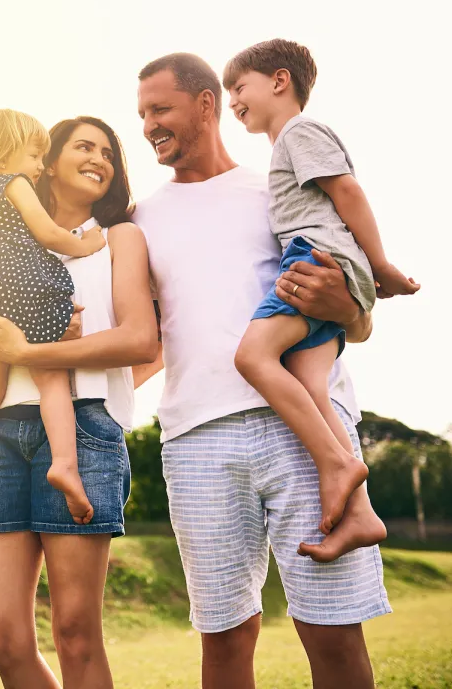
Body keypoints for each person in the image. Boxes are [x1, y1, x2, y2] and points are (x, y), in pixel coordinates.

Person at [133, 54, 391, 689]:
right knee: (223, 638)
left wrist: (355, 312)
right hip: (196, 439)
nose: (148, 126)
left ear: (205, 105)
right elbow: (147, 342)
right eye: (141, 114)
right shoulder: (139, 220)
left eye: (160, 109)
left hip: (304, 429)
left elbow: (350, 307)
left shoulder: (277, 187)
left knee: (333, 632)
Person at [0, 116, 157, 689]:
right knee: (2, 639)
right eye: (84, 146)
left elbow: (142, 341)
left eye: (109, 152)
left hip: (81, 429)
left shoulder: (119, 237)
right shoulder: (1, 219)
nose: (100, 159)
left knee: (76, 635)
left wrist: (30, 348)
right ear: (46, 159)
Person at [224, 39, 419, 557]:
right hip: (329, 262)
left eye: (238, 87)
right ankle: (361, 514)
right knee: (311, 382)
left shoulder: (299, 132)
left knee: (252, 355)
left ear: (279, 81)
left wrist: (381, 267)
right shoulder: (286, 144)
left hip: (315, 259)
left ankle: (337, 464)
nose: (232, 101)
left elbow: (348, 192)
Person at [0, 109, 106, 538]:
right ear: (5, 154)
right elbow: (49, 234)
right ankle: (65, 464)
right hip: (22, 292)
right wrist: (86, 243)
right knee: (51, 379)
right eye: (34, 155)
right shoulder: (15, 184)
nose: (37, 166)